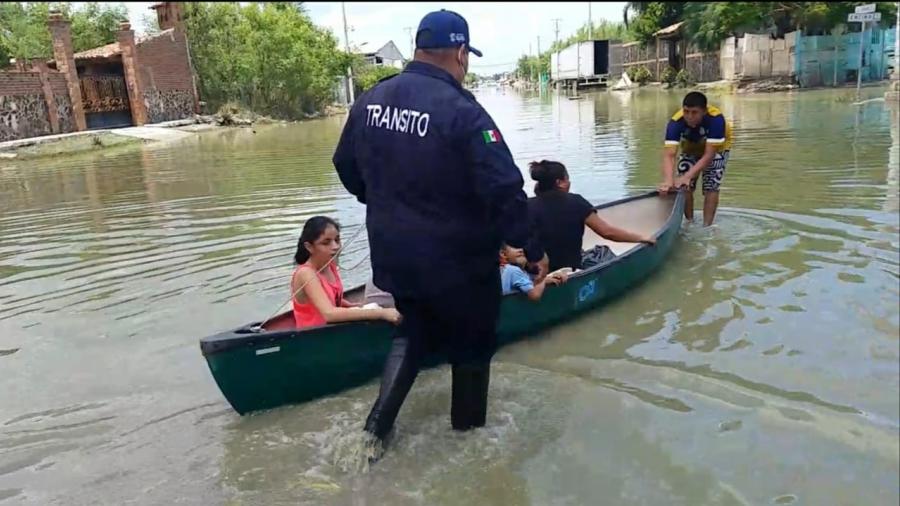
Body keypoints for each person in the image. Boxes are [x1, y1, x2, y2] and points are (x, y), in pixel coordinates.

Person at [332, 9, 546, 453]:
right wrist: (531, 247)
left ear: (418, 49)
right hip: (459, 267)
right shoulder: (464, 112)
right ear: (461, 53)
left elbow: (345, 166)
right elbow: (506, 188)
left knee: (411, 331)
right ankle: (467, 448)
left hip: (396, 258)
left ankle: (374, 433)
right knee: (470, 350)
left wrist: (383, 203)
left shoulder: (371, 99)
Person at [528, 160, 656, 272]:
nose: (569, 182)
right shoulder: (576, 202)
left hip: (538, 271)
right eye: (567, 179)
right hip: (569, 269)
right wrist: (641, 238)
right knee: (602, 253)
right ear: (559, 182)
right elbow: (607, 232)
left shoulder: (527, 206)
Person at [291, 216, 401, 328]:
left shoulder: (330, 265)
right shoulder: (306, 273)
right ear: (309, 246)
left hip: (332, 329)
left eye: (337, 240)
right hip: (314, 337)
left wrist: (350, 305)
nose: (335, 247)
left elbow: (331, 296)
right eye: (326, 243)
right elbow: (329, 314)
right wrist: (382, 313)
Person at [657, 91, 734, 226]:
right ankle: (689, 222)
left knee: (711, 185)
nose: (689, 117)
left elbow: (709, 155)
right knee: (683, 185)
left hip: (716, 148)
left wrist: (689, 175)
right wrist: (669, 181)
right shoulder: (676, 122)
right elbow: (669, 154)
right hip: (691, 147)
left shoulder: (716, 119)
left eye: (694, 112)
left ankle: (707, 226)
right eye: (686, 111)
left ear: (704, 112)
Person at [499, 245, 567, 301]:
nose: (521, 250)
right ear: (503, 254)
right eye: (515, 246)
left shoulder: (508, 270)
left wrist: (555, 276)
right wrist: (542, 279)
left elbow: (533, 280)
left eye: (523, 247)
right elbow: (535, 295)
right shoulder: (512, 270)